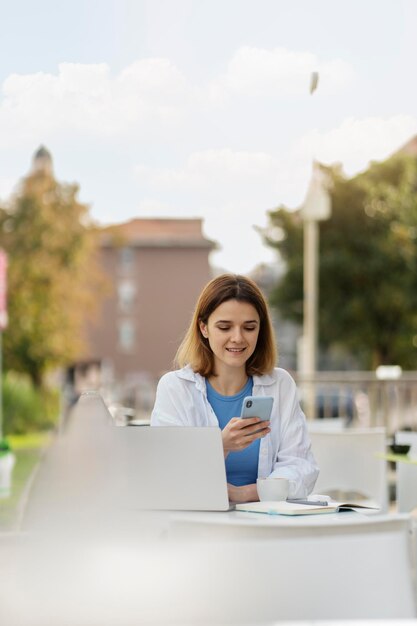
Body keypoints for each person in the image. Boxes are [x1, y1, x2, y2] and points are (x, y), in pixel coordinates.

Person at [151, 273, 318, 503]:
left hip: (265, 521)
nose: (237, 338)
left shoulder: (280, 385)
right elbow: (165, 472)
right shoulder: (175, 388)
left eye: (249, 327)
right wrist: (220, 445)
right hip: (198, 522)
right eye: (225, 327)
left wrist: (245, 494)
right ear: (204, 328)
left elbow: (301, 466)